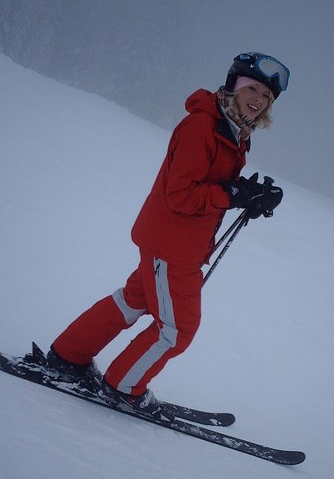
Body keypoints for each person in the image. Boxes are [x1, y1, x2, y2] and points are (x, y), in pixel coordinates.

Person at [46, 52, 289, 420]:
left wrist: (248, 194)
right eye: (253, 88)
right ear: (234, 85)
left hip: (172, 241)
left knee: (132, 301)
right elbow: (182, 194)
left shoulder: (232, 130)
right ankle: (123, 387)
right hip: (173, 248)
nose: (258, 99)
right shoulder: (202, 127)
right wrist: (234, 195)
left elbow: (209, 183)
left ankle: (67, 355)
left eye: (267, 96)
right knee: (177, 329)